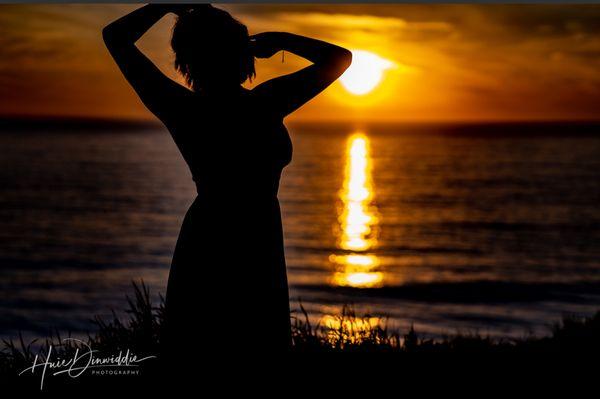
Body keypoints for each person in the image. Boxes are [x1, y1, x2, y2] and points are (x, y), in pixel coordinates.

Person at [103, 4, 351, 363]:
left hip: (221, 233)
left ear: (185, 60)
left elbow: (116, 37)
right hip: (247, 234)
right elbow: (338, 58)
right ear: (240, 52)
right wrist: (279, 41)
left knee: (208, 346)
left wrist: (166, 6)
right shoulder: (266, 102)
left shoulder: (180, 105)